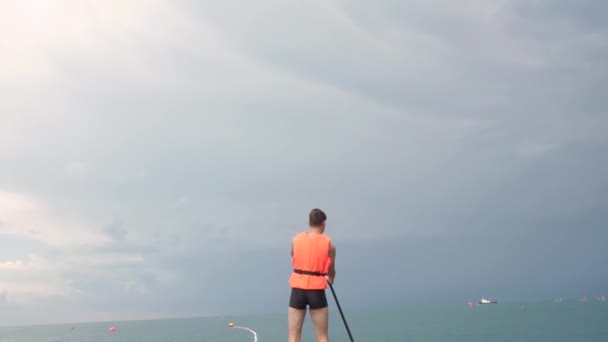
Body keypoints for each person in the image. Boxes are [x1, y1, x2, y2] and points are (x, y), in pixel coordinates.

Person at [288, 208, 336, 342]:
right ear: (323, 224)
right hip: (317, 290)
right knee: (322, 336)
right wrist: (330, 279)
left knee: (294, 335)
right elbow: (331, 269)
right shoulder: (329, 244)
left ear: (308, 222)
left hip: (298, 289)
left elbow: (294, 256)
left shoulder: (295, 240)